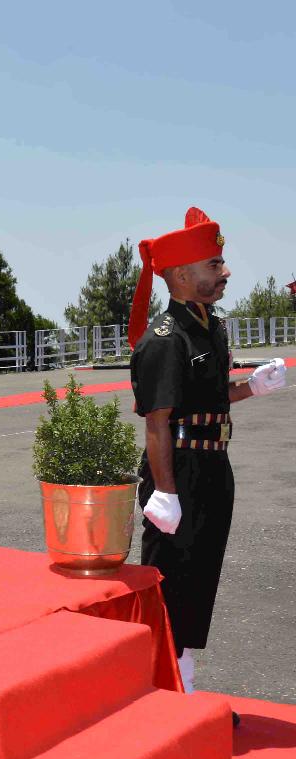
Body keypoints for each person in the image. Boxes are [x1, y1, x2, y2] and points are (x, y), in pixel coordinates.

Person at [128, 207, 286, 718]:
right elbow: (158, 421)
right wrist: (164, 491)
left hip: (215, 466)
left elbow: (211, 396)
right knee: (170, 581)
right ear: (179, 274)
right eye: (214, 264)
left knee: (201, 577)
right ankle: (156, 692)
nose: (225, 272)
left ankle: (185, 687)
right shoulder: (164, 338)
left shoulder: (211, 328)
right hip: (177, 470)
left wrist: (252, 388)